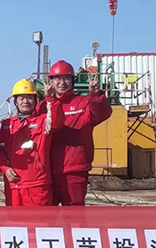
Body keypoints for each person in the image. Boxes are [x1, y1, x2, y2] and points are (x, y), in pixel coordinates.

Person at [45, 60, 113, 206]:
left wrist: (95, 95)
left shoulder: (84, 102)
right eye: (58, 79)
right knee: (48, 215)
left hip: (75, 170)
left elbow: (102, 114)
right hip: (47, 171)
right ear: (51, 81)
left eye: (66, 78)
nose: (62, 83)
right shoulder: (43, 107)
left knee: (74, 214)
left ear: (72, 81)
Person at [0, 79, 63, 207]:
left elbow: (56, 121)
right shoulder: (7, 124)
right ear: (15, 102)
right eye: (21, 98)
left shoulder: (43, 121)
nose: (25, 101)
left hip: (37, 185)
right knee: (14, 220)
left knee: (38, 220)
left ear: (36, 101)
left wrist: (51, 99)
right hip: (13, 186)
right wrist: (5, 169)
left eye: (30, 98)